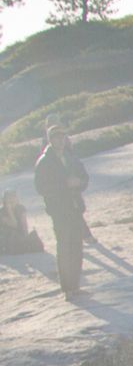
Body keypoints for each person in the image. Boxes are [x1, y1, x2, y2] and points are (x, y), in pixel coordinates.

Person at [33, 126, 90, 295]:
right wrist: (64, 185)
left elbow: (84, 176)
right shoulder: (44, 161)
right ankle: (67, 288)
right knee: (65, 247)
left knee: (77, 246)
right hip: (59, 211)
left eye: (62, 137)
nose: (60, 141)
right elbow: (41, 187)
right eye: (56, 138)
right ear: (50, 139)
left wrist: (79, 182)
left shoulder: (70, 156)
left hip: (75, 208)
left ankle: (76, 285)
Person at [0, 189, 44, 255]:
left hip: (19, 237)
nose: (11, 203)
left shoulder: (20, 209)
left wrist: (10, 212)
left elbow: (22, 226)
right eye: (8, 200)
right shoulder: (2, 211)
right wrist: (9, 211)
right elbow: (10, 225)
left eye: (13, 200)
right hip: (6, 238)